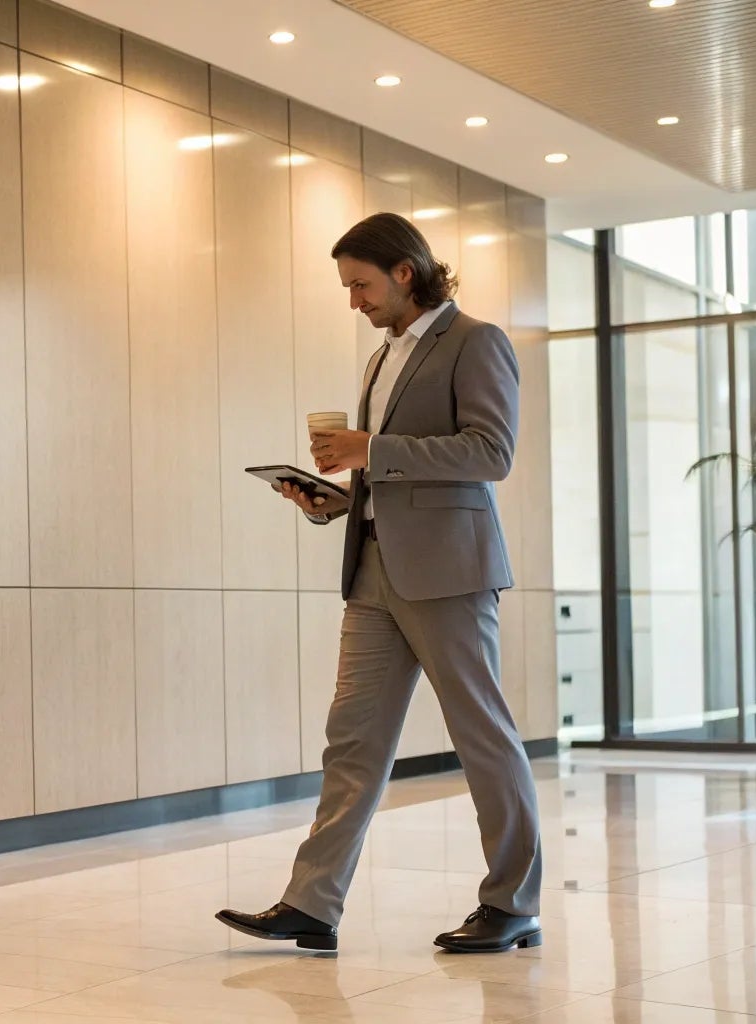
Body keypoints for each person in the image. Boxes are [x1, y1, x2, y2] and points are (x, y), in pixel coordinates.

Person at [215, 212, 544, 955]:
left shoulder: (475, 342)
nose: (353, 301)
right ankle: (311, 902)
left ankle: (513, 903)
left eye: (360, 284)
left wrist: (373, 448)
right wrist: (334, 498)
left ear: (404, 271)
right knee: (352, 741)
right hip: (372, 571)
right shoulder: (377, 360)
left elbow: (490, 452)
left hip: (450, 573)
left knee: (481, 737)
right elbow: (389, 474)